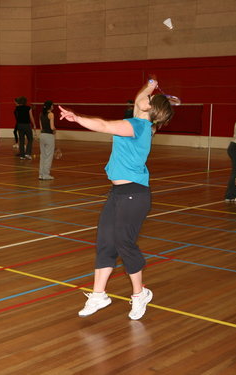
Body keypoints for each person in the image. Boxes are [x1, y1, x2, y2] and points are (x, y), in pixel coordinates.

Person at [59, 78, 174, 320]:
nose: (142, 98)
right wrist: (152, 83)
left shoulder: (138, 127)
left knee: (124, 243)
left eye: (148, 99)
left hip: (134, 195)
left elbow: (102, 125)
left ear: (148, 108)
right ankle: (99, 294)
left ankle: (139, 294)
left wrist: (76, 118)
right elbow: (139, 97)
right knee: (105, 241)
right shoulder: (141, 118)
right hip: (119, 194)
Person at [39, 100, 56, 180]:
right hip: (49, 136)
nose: (53, 106)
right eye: (52, 105)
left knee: (43, 155)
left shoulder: (41, 114)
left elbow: (41, 128)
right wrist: (55, 130)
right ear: (50, 106)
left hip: (42, 135)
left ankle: (41, 174)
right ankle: (46, 175)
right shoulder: (51, 114)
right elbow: (52, 127)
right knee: (49, 156)